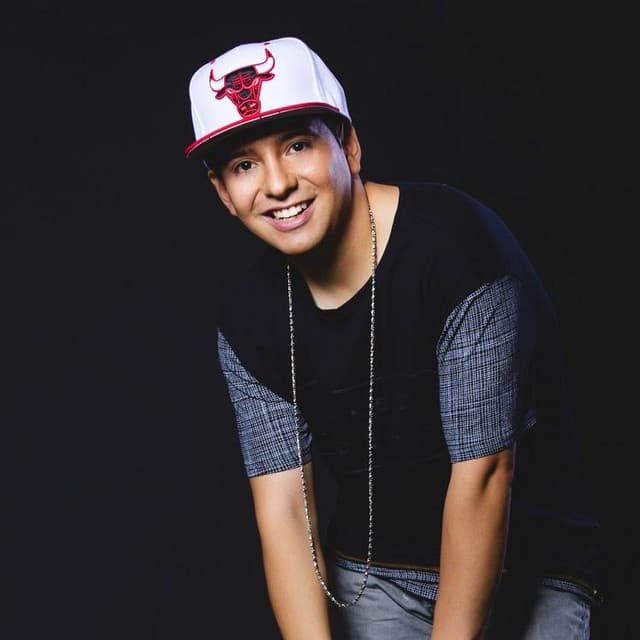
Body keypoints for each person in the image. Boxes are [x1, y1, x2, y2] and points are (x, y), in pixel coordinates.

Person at [183, 36, 602, 639]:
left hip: (528, 567)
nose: (276, 184)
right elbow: (285, 509)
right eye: (244, 165)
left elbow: (485, 477)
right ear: (223, 192)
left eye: (297, 145)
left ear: (348, 146)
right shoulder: (250, 319)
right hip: (376, 576)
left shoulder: (457, 251)